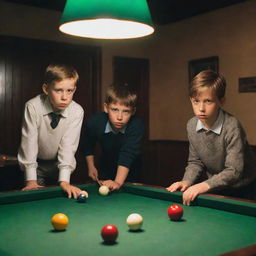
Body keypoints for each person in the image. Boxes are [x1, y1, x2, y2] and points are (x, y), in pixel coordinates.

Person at [166, 70, 256, 205]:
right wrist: (186, 181)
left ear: (221, 101)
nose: (201, 108)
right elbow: (195, 162)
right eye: (196, 101)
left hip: (244, 188)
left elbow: (234, 171)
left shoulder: (232, 126)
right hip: (216, 187)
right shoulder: (191, 125)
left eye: (208, 101)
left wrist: (202, 186)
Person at [18, 63, 84, 198]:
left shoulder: (77, 111)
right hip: (36, 166)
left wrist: (64, 181)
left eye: (69, 91)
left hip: (59, 165)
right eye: (58, 90)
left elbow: (68, 147)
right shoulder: (33, 107)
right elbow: (29, 144)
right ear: (46, 89)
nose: (65, 97)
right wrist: (31, 181)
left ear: (74, 89)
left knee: (61, 201)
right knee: (35, 204)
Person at [82, 84, 144, 191]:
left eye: (126, 111)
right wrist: (91, 166)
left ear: (133, 111)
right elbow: (88, 144)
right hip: (106, 167)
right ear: (106, 108)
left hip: (132, 170)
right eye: (115, 109)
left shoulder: (137, 125)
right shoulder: (94, 122)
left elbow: (127, 154)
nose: (120, 117)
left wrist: (118, 182)